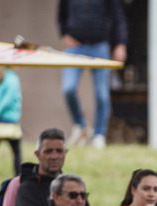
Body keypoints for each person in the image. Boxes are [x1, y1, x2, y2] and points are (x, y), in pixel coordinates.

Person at [59, 0, 128, 149]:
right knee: (68, 88)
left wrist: (120, 44)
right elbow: (61, 15)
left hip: (100, 46)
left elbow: (118, 19)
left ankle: (99, 135)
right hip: (75, 47)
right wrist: (64, 34)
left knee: (101, 94)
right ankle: (81, 126)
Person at [14, 129, 97, 206]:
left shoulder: (73, 188)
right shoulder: (27, 190)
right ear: (37, 154)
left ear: (65, 153)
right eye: (48, 151)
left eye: (59, 151)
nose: (54, 156)